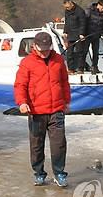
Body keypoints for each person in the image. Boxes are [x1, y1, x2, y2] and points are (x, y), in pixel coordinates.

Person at [14, 32, 71, 187]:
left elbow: (64, 82)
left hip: (56, 110)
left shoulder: (58, 59)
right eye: (42, 49)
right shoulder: (27, 62)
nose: (45, 52)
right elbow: (20, 85)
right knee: (36, 145)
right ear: (35, 46)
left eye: (48, 48)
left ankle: (59, 173)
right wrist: (22, 102)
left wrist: (66, 101)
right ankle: (39, 173)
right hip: (36, 111)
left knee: (59, 145)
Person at [62, 0, 86, 74]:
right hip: (70, 34)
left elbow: (83, 23)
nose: (66, 8)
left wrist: (82, 33)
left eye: (67, 7)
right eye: (65, 7)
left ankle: (80, 68)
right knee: (69, 53)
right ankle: (70, 69)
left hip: (78, 34)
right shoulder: (67, 11)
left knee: (80, 52)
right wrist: (65, 31)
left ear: (71, 4)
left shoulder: (80, 11)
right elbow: (67, 22)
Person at [85, 0, 103, 74]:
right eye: (102, 7)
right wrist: (82, 33)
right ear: (99, 5)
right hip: (88, 35)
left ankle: (95, 67)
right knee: (84, 51)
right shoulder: (89, 11)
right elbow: (84, 22)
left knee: (96, 52)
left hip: (96, 35)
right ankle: (81, 67)